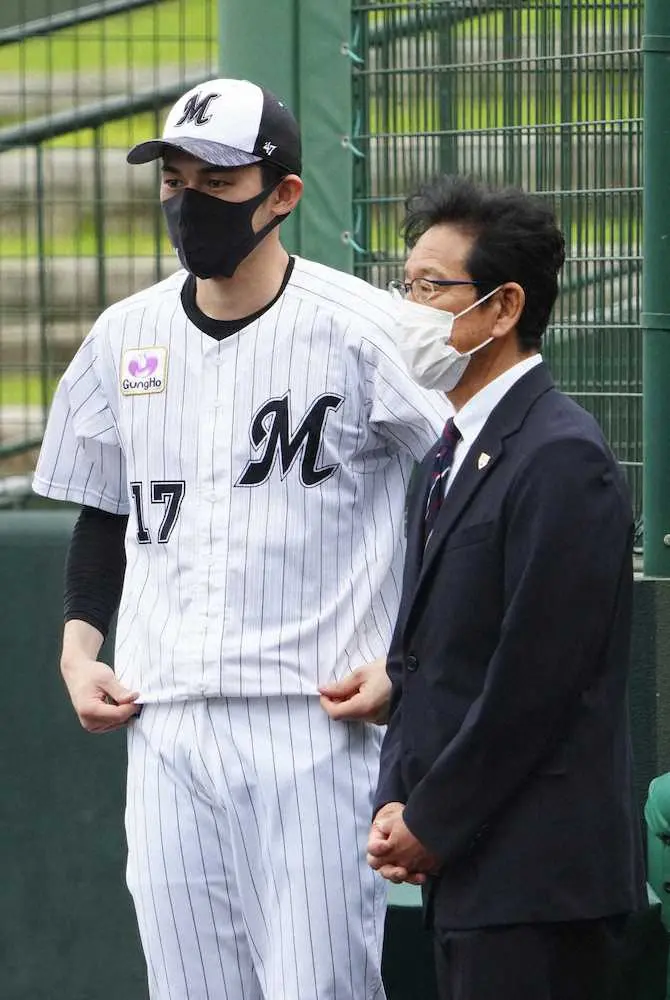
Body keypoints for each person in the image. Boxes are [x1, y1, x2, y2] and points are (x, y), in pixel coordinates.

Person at [32, 78, 448, 1000]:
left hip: (314, 724)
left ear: (284, 194)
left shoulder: (367, 329)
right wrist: (77, 649)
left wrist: (408, 661)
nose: (189, 204)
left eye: (216, 183)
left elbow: (468, 489)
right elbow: (106, 509)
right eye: (174, 181)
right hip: (166, 719)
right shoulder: (122, 335)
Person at [367, 175, 647, 1000]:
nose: (408, 307)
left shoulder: (562, 455)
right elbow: (420, 654)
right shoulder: (445, 454)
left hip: (538, 883)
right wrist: (398, 798)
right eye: (405, 283)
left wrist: (432, 821)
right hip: (468, 873)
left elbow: (537, 681)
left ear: (501, 306)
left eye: (431, 287)